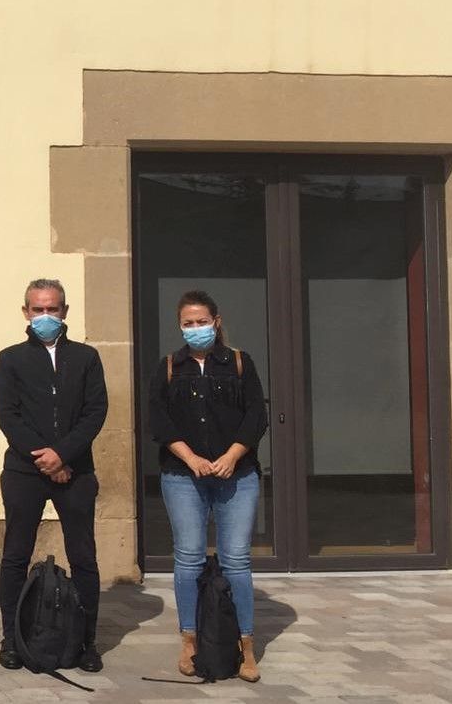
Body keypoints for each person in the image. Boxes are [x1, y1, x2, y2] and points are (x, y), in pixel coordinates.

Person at [148, 289, 266, 683]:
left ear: (216, 322)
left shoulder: (238, 363)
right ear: (179, 326)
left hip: (238, 476)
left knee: (236, 559)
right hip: (184, 477)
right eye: (188, 323)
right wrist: (192, 459)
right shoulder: (168, 367)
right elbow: (159, 421)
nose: (195, 329)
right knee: (189, 557)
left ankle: (244, 645)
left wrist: (232, 456)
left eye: (202, 321)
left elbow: (255, 415)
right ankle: (190, 640)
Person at [0, 278, 107, 673]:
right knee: (15, 555)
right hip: (25, 470)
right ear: (25, 312)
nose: (45, 316)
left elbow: (96, 412)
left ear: (65, 312)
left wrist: (63, 454)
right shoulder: (10, 358)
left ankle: (87, 641)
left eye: (52, 309)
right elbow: (9, 416)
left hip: (76, 469)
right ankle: (12, 637)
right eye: (38, 309)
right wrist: (44, 457)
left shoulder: (86, 357)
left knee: (84, 557)